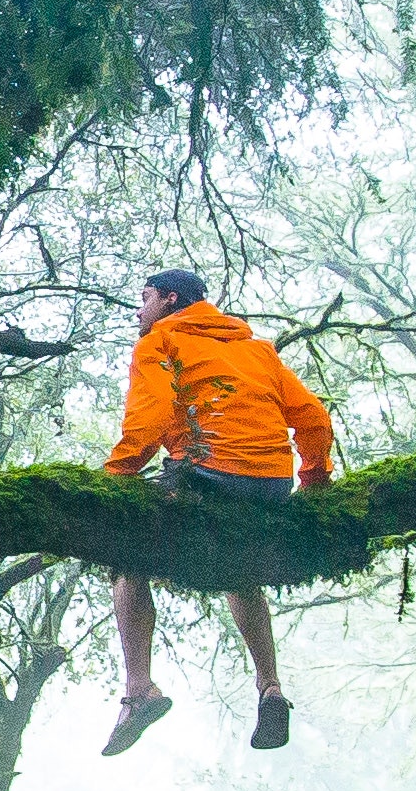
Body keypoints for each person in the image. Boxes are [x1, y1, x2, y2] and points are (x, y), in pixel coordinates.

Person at [102, 266, 331, 754]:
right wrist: (313, 476)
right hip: (270, 486)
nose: (138, 312)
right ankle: (270, 687)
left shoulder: (159, 343)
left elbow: (152, 416)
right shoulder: (257, 350)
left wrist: (114, 482)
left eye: (143, 300)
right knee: (237, 570)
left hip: (206, 478)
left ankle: (139, 690)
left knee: (125, 554)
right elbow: (313, 417)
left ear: (168, 299)